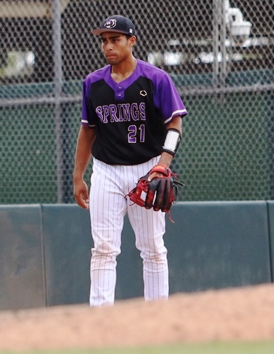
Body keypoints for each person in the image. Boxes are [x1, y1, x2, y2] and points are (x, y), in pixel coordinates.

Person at [73, 16, 188, 307]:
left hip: (147, 169)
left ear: (131, 41)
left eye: (115, 39)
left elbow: (175, 124)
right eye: (104, 40)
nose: (108, 46)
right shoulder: (93, 83)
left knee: (152, 249)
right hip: (107, 172)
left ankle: (157, 318)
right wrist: (78, 175)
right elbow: (88, 129)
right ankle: (101, 320)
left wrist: (162, 164)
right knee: (103, 249)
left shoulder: (156, 79)